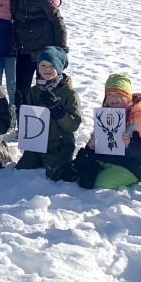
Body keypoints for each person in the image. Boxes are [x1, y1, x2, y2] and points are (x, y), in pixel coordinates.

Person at [70, 73, 141, 190]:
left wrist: (130, 145)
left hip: (131, 165)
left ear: (128, 96)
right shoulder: (106, 113)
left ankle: (133, 182)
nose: (113, 99)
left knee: (100, 183)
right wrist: (91, 145)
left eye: (118, 94)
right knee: (80, 177)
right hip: (106, 158)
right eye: (109, 94)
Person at [15, 47, 82, 181]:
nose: (47, 69)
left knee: (55, 175)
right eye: (43, 65)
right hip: (37, 143)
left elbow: (73, 125)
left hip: (59, 145)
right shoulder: (33, 91)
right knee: (21, 170)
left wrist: (57, 110)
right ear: (38, 68)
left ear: (59, 68)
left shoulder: (69, 93)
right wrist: (20, 109)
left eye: (52, 66)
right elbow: (28, 124)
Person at [7, 0, 67, 100]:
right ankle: (22, 118)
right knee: (22, 89)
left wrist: (61, 48)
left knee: (46, 87)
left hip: (44, 50)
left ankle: (47, 120)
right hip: (24, 50)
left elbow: (57, 19)